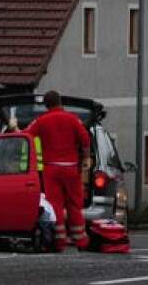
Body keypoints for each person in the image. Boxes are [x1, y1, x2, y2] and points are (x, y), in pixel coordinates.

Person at [24, 90, 91, 251]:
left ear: (46, 105)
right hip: (71, 168)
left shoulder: (41, 121)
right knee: (75, 204)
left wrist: (12, 127)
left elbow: (26, 135)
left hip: (51, 169)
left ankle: (59, 241)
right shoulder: (73, 119)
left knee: (55, 205)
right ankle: (80, 240)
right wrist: (86, 158)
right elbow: (85, 139)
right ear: (60, 102)